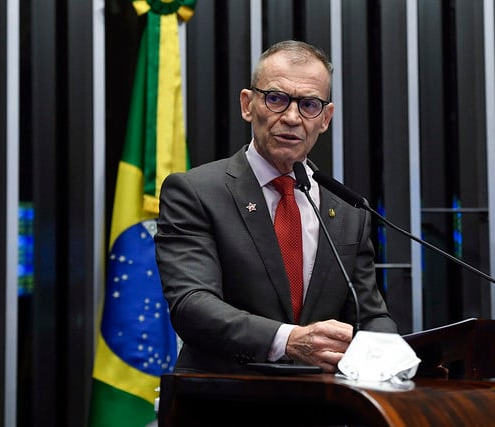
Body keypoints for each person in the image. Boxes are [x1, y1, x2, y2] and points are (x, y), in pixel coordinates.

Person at [155, 40, 397, 375]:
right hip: (223, 400)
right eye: (276, 99)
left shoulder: (348, 210)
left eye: (309, 104)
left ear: (325, 118)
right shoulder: (196, 192)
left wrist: (398, 359)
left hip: (324, 405)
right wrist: (288, 339)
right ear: (247, 104)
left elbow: (369, 315)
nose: (292, 117)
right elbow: (192, 305)